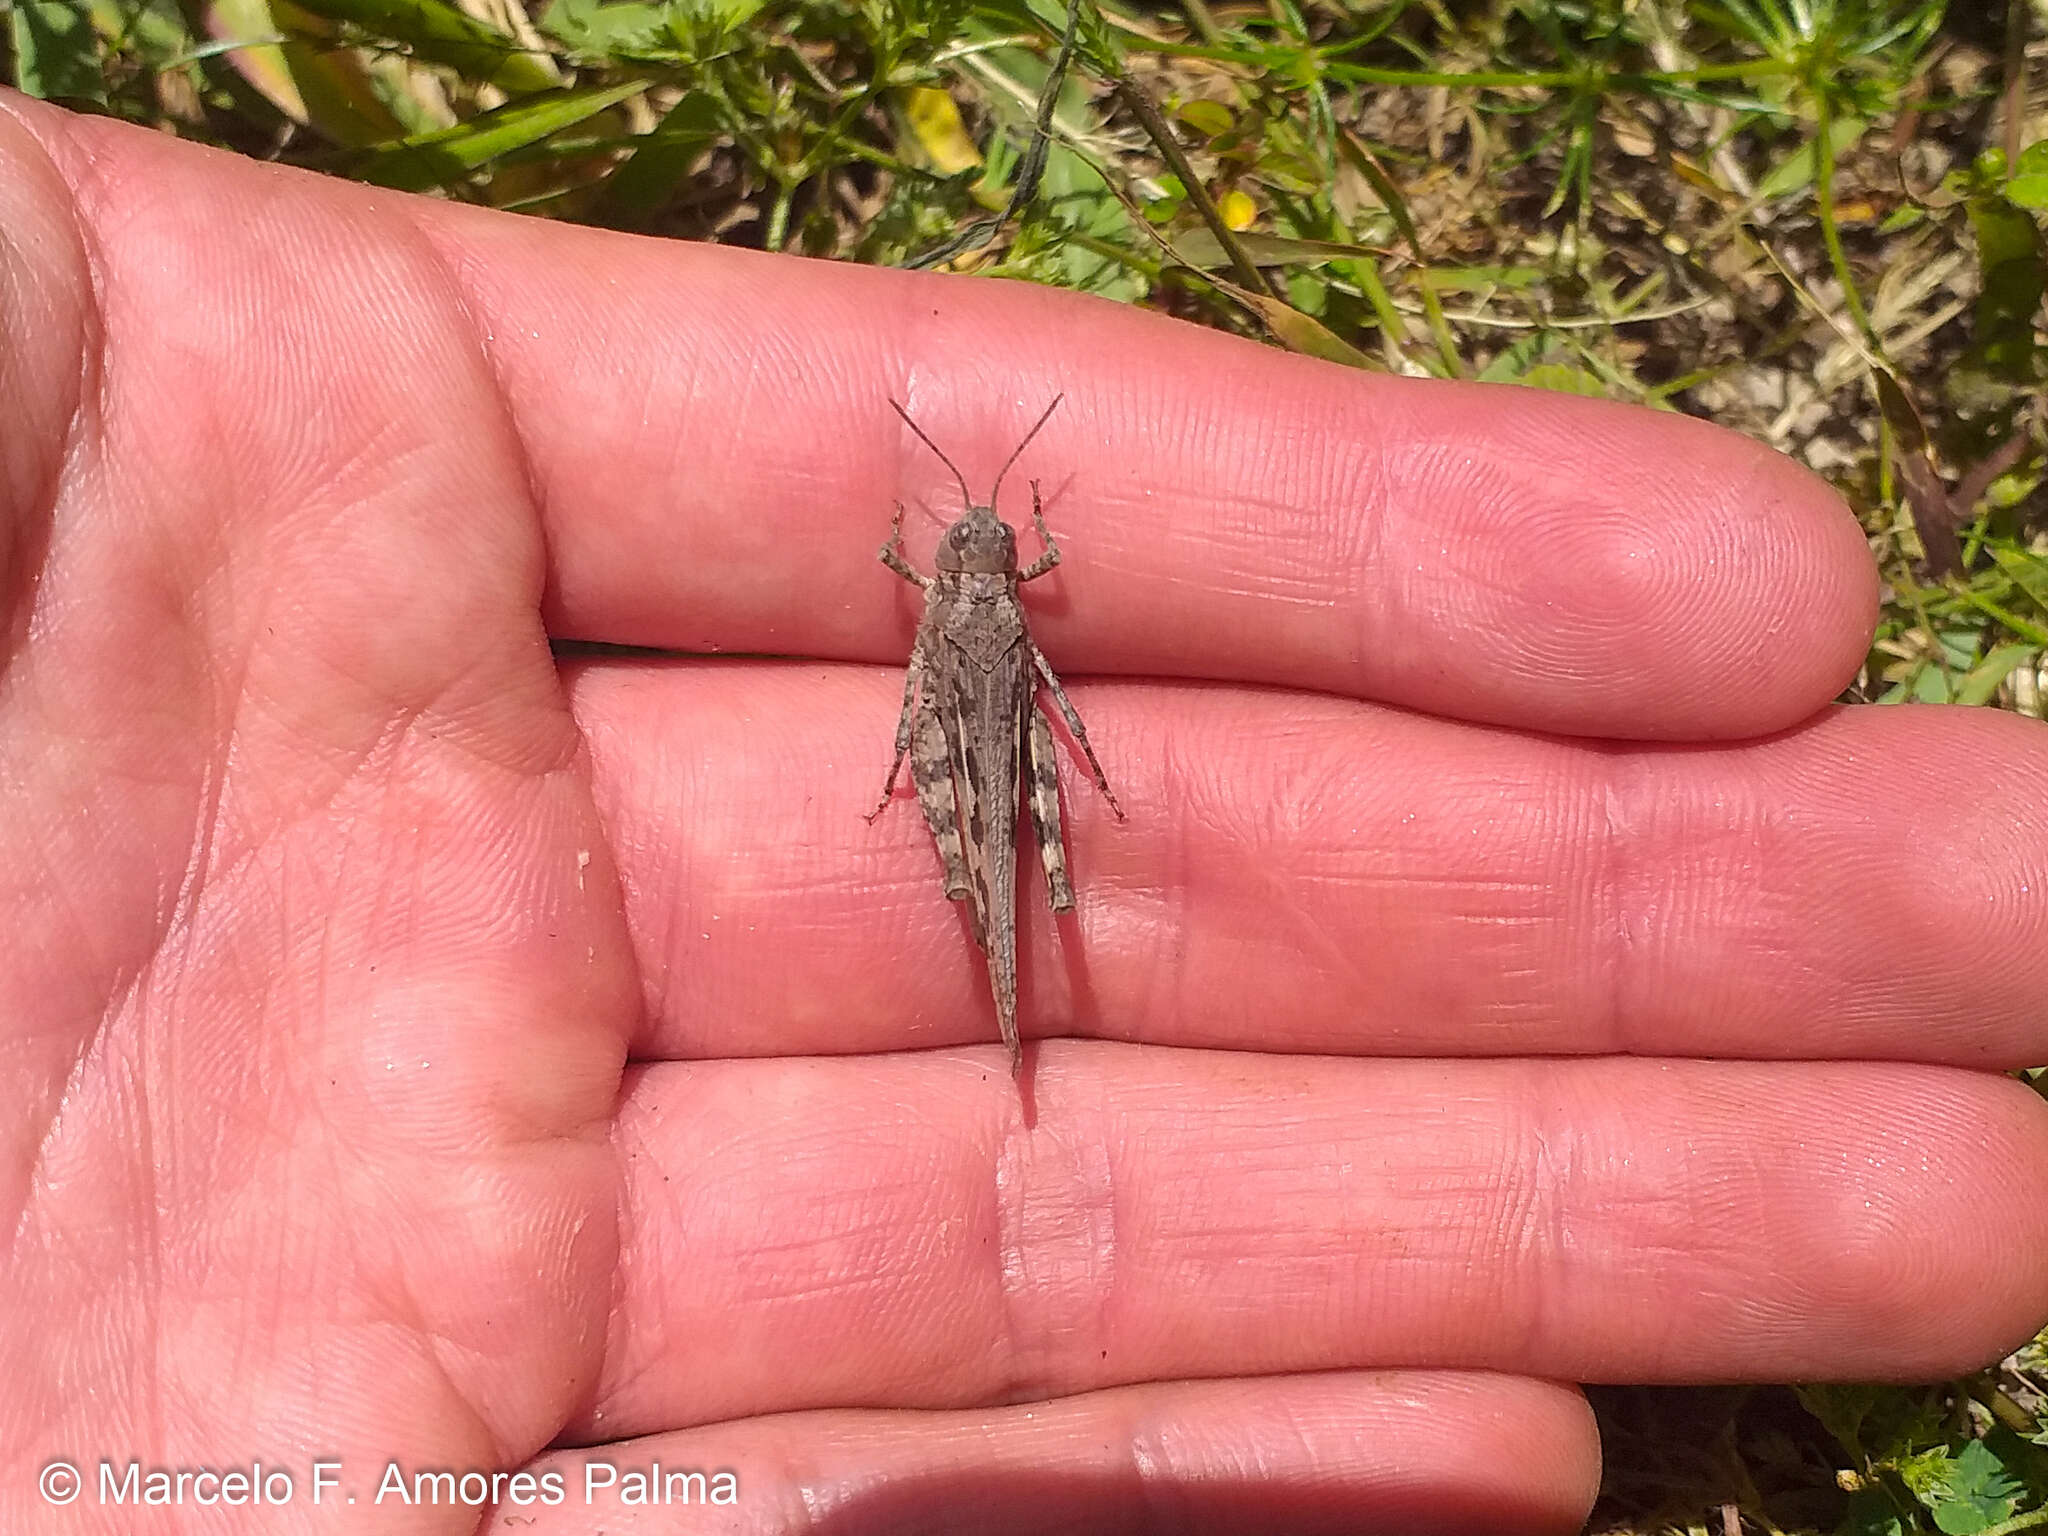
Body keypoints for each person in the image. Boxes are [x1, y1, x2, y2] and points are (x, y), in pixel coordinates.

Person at [1, 89, 2043, 1536]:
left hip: (994, 720)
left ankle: (1011, 981)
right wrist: (952, 716)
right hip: (958, 726)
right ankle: (1003, 986)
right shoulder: (963, 590)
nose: (989, 545)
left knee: (1024, 821)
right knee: (980, 809)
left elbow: (985, 642)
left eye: (996, 527)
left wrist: (990, 682)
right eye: (984, 528)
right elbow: (956, 660)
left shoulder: (969, 582)